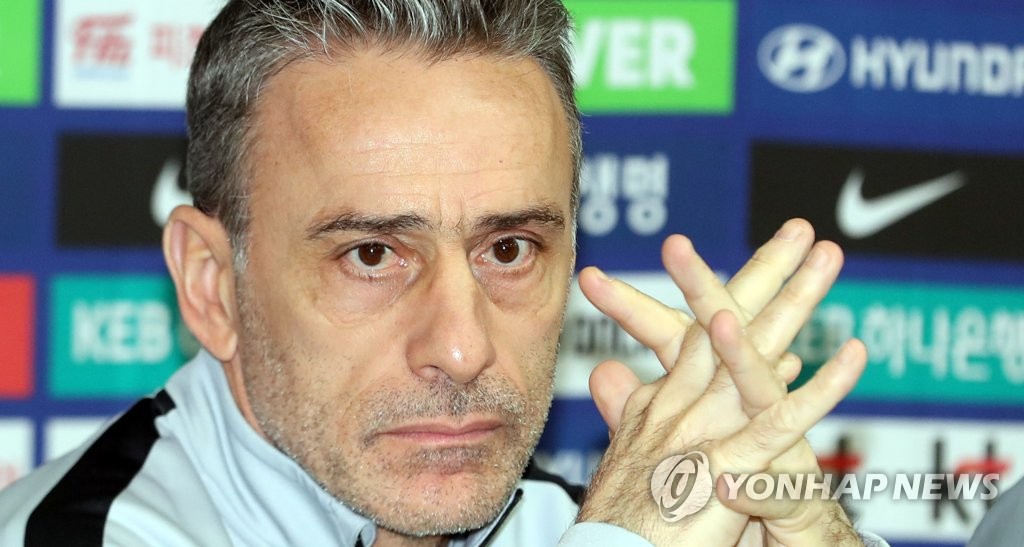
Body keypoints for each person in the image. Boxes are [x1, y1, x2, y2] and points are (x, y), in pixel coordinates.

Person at [0, 1, 884, 545]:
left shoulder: (577, 522)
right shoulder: (90, 535)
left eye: (509, 249)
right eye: (372, 255)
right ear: (212, 284)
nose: (462, 349)